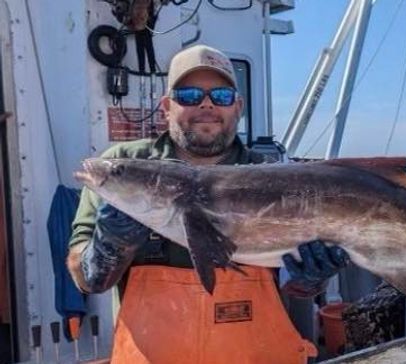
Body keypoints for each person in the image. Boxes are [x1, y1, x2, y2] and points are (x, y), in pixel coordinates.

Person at [67, 44, 348, 363]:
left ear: (238, 106)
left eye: (221, 96)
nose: (206, 105)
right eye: (188, 96)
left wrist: (310, 279)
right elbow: (85, 279)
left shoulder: (274, 176)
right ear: (166, 107)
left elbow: (295, 289)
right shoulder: (122, 166)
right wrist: (109, 246)